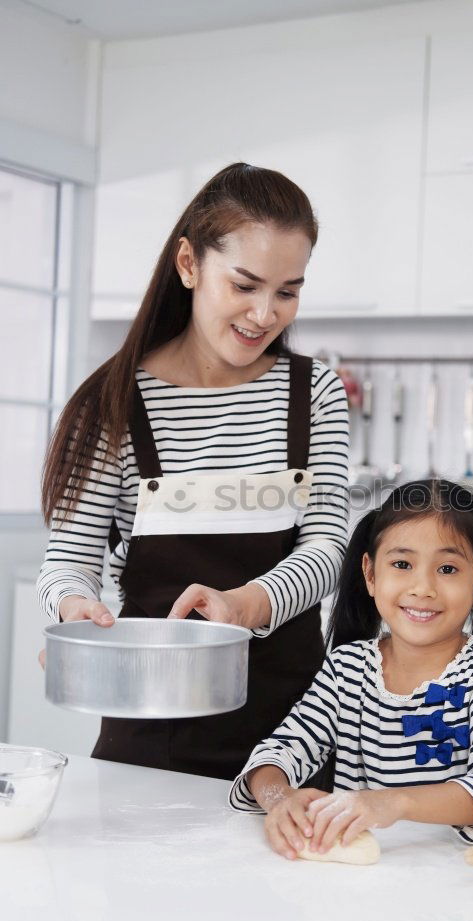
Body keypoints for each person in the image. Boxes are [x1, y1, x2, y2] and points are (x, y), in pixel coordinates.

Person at [38, 162, 349, 780]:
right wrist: (75, 608)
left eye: (287, 291)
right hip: (150, 739)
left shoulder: (313, 393)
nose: (265, 314)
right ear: (189, 264)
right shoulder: (113, 402)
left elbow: (329, 547)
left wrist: (247, 604)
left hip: (292, 740)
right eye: (245, 285)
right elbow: (67, 564)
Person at [229, 478, 473, 856]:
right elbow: (277, 753)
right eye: (402, 564)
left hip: (456, 883)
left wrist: (392, 802)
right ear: (371, 574)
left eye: (448, 569)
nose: (423, 587)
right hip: (361, 883)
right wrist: (280, 799)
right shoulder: (348, 669)